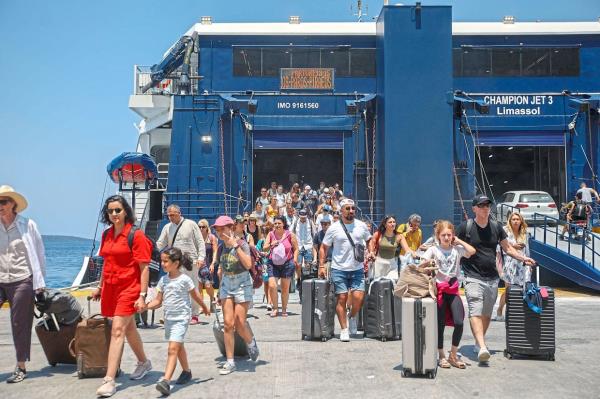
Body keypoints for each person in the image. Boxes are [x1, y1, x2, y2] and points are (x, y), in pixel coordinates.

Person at [456, 194, 536, 364]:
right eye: (482, 205)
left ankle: (478, 342)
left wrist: (523, 259)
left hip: (492, 278)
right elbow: (452, 243)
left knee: (486, 314)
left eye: (487, 205)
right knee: (474, 310)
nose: (485, 208)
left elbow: (508, 248)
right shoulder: (466, 227)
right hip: (472, 276)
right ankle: (483, 346)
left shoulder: (496, 227)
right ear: (474, 208)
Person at [92, 195, 152, 397]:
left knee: (117, 330)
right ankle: (144, 362)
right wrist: (99, 287)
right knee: (128, 329)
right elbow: (106, 262)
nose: (114, 214)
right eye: (110, 211)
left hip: (130, 288)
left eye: (118, 210)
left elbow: (144, 268)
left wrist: (142, 295)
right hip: (111, 288)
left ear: (125, 211)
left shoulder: (137, 235)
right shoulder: (107, 234)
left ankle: (109, 380)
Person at [147, 247, 210, 396]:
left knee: (172, 349)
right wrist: (145, 307)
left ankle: (166, 381)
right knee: (179, 345)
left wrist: (204, 307)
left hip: (181, 319)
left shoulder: (185, 279)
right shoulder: (163, 280)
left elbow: (195, 295)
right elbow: (158, 301)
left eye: (165, 261)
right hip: (168, 319)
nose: (162, 264)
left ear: (176, 263)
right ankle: (187, 372)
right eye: (161, 261)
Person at [0, 185, 46, 383]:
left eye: (4, 201)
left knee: (19, 323)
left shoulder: (28, 225)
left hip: (22, 280)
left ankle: (21, 366)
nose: (0, 205)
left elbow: (39, 254)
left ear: (13, 204)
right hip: (1, 279)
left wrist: (40, 283)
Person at [421, 220, 475, 370]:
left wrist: (459, 241)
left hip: (453, 289)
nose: (446, 237)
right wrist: (428, 264)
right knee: (440, 324)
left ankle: (453, 354)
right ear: (438, 236)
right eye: (443, 235)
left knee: (459, 321)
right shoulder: (433, 250)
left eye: (449, 235)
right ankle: (441, 355)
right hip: (439, 290)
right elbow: (422, 264)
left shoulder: (456, 249)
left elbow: (472, 251)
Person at [212, 216, 260, 375]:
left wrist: (235, 246)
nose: (219, 232)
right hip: (227, 283)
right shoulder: (220, 248)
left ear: (231, 228)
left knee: (240, 322)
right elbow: (221, 270)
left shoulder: (241, 244)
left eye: (223, 228)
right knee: (227, 323)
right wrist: (219, 290)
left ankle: (250, 342)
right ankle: (230, 361)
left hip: (242, 284)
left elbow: (247, 264)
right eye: (217, 229)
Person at [320, 198, 372, 342]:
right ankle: (344, 329)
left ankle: (352, 316)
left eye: (353, 208)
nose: (351, 211)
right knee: (342, 298)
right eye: (348, 208)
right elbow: (324, 247)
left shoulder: (361, 226)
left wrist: (371, 251)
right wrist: (321, 265)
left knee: (358, 297)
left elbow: (369, 240)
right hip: (339, 269)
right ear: (341, 211)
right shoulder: (334, 228)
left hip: (357, 268)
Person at [156, 205, 206, 325]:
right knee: (172, 288)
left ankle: (194, 314)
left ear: (179, 213)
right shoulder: (167, 227)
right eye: (169, 215)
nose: (170, 217)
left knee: (192, 287)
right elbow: (160, 243)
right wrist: (150, 252)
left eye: (173, 215)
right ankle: (169, 313)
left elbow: (200, 241)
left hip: (190, 261)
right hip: (174, 263)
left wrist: (201, 257)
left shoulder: (191, 224)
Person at [494, 212, 531, 321]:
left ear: (521, 221)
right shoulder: (505, 231)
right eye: (513, 219)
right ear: (510, 221)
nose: (515, 221)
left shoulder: (525, 233)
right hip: (510, 264)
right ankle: (500, 309)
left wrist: (529, 261)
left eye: (517, 219)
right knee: (508, 290)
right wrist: (512, 246)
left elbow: (527, 250)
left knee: (523, 289)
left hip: (523, 264)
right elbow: (498, 247)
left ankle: (516, 313)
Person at [263, 216, 299, 317]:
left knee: (284, 288)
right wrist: (271, 244)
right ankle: (275, 308)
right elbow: (264, 248)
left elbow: (296, 248)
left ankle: (283, 309)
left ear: (283, 224)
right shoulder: (270, 234)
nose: (277, 225)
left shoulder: (290, 235)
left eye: (279, 223)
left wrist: (295, 260)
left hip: (287, 263)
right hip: (272, 263)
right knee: (272, 285)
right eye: (275, 224)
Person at [291, 209, 317, 289]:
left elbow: (314, 233)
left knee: (308, 265)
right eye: (301, 217)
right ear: (299, 216)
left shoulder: (310, 222)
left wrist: (314, 246)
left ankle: (306, 281)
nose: (303, 219)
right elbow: (291, 232)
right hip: (298, 246)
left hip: (308, 245)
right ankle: (298, 278)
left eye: (304, 217)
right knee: (298, 264)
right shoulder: (295, 222)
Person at [198, 219, 218, 312]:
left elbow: (215, 251)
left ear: (207, 228)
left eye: (203, 227)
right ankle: (202, 306)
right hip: (199, 264)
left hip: (208, 264)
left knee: (208, 285)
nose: (201, 228)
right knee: (199, 286)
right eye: (199, 227)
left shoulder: (211, 237)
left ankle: (212, 298)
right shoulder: (196, 237)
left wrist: (213, 263)